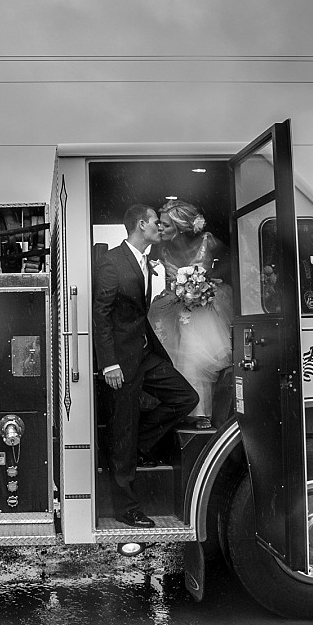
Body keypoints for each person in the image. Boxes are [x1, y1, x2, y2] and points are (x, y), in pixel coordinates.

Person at [92, 204, 199, 528]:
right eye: (155, 222)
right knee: (122, 431)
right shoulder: (111, 261)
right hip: (121, 362)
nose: (159, 227)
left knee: (185, 397)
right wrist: (109, 364)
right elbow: (101, 315)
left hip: (145, 354)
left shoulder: (146, 261)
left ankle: (138, 445)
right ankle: (127, 508)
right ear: (141, 224)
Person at [148, 198, 234, 431]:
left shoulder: (208, 241)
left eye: (165, 225)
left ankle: (200, 412)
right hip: (172, 303)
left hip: (203, 304)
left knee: (195, 356)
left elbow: (231, 260)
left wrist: (209, 280)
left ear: (180, 226)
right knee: (167, 357)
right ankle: (174, 408)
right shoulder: (160, 246)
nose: (160, 228)